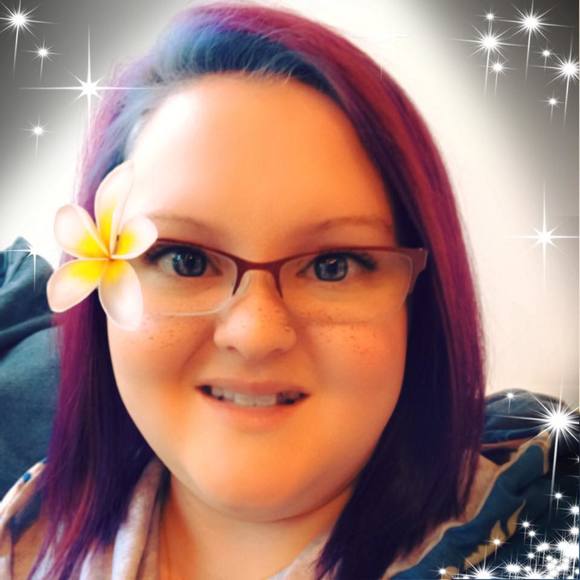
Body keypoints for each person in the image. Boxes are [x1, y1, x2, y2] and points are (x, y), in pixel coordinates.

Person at [0, 2, 577, 579]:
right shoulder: (29, 527)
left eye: (332, 266)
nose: (255, 333)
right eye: (185, 260)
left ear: (418, 306)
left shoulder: (547, 543)